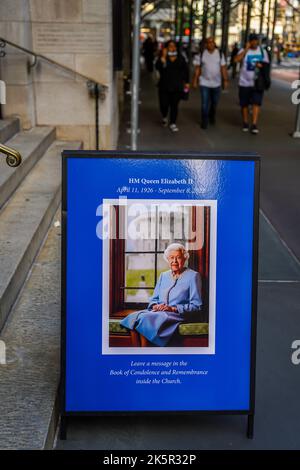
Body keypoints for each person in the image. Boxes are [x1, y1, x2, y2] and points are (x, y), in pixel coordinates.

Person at [120, 243, 202, 347]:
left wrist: (173, 308)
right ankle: (138, 352)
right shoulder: (163, 275)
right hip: (158, 313)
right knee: (133, 317)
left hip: (177, 315)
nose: (174, 261)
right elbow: (154, 299)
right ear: (168, 259)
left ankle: (145, 353)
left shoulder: (193, 276)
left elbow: (197, 306)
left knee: (145, 319)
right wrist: (155, 305)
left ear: (184, 259)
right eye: (171, 258)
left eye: (178, 258)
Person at [234, 33, 270, 134]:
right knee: (244, 104)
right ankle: (245, 122)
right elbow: (236, 60)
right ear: (249, 42)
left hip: (257, 83)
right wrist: (246, 49)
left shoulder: (263, 52)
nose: (254, 42)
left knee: (256, 103)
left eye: (256, 40)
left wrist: (261, 65)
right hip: (244, 82)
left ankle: (254, 124)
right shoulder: (243, 50)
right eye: (252, 40)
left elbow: (266, 66)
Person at [192, 37, 229, 129]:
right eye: (208, 42)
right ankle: (204, 121)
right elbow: (197, 69)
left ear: (214, 43)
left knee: (214, 102)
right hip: (204, 83)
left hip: (216, 83)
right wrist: (195, 80)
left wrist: (225, 80)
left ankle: (211, 115)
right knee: (204, 103)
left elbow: (223, 68)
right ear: (206, 44)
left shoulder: (220, 54)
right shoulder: (201, 55)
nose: (210, 44)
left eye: (212, 42)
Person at [156, 40, 189, 132]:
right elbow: (157, 67)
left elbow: (186, 71)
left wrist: (187, 83)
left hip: (177, 86)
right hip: (164, 86)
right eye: (170, 46)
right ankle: (164, 116)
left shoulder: (181, 58)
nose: (172, 47)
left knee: (174, 105)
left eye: (174, 46)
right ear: (166, 48)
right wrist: (163, 56)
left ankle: (173, 123)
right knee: (164, 104)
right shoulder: (163, 58)